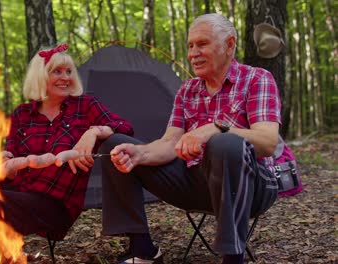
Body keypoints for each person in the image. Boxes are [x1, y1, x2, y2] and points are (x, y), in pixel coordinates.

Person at [99, 13, 281, 264]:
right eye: (190, 46)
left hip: (252, 186)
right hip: (198, 182)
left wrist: (214, 128)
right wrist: (140, 154)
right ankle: (143, 250)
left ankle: (233, 257)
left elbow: (268, 143)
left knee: (224, 143)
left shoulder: (257, 79)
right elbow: (170, 142)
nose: (193, 53)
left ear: (229, 44)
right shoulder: (188, 90)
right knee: (116, 145)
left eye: (202, 44)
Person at [0, 44, 133, 241]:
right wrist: (5, 164)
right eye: (57, 72)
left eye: (69, 71)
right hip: (16, 195)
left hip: (55, 205)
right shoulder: (22, 114)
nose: (66, 77)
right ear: (40, 76)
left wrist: (93, 131)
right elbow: (10, 159)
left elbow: (124, 127)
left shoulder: (85, 106)